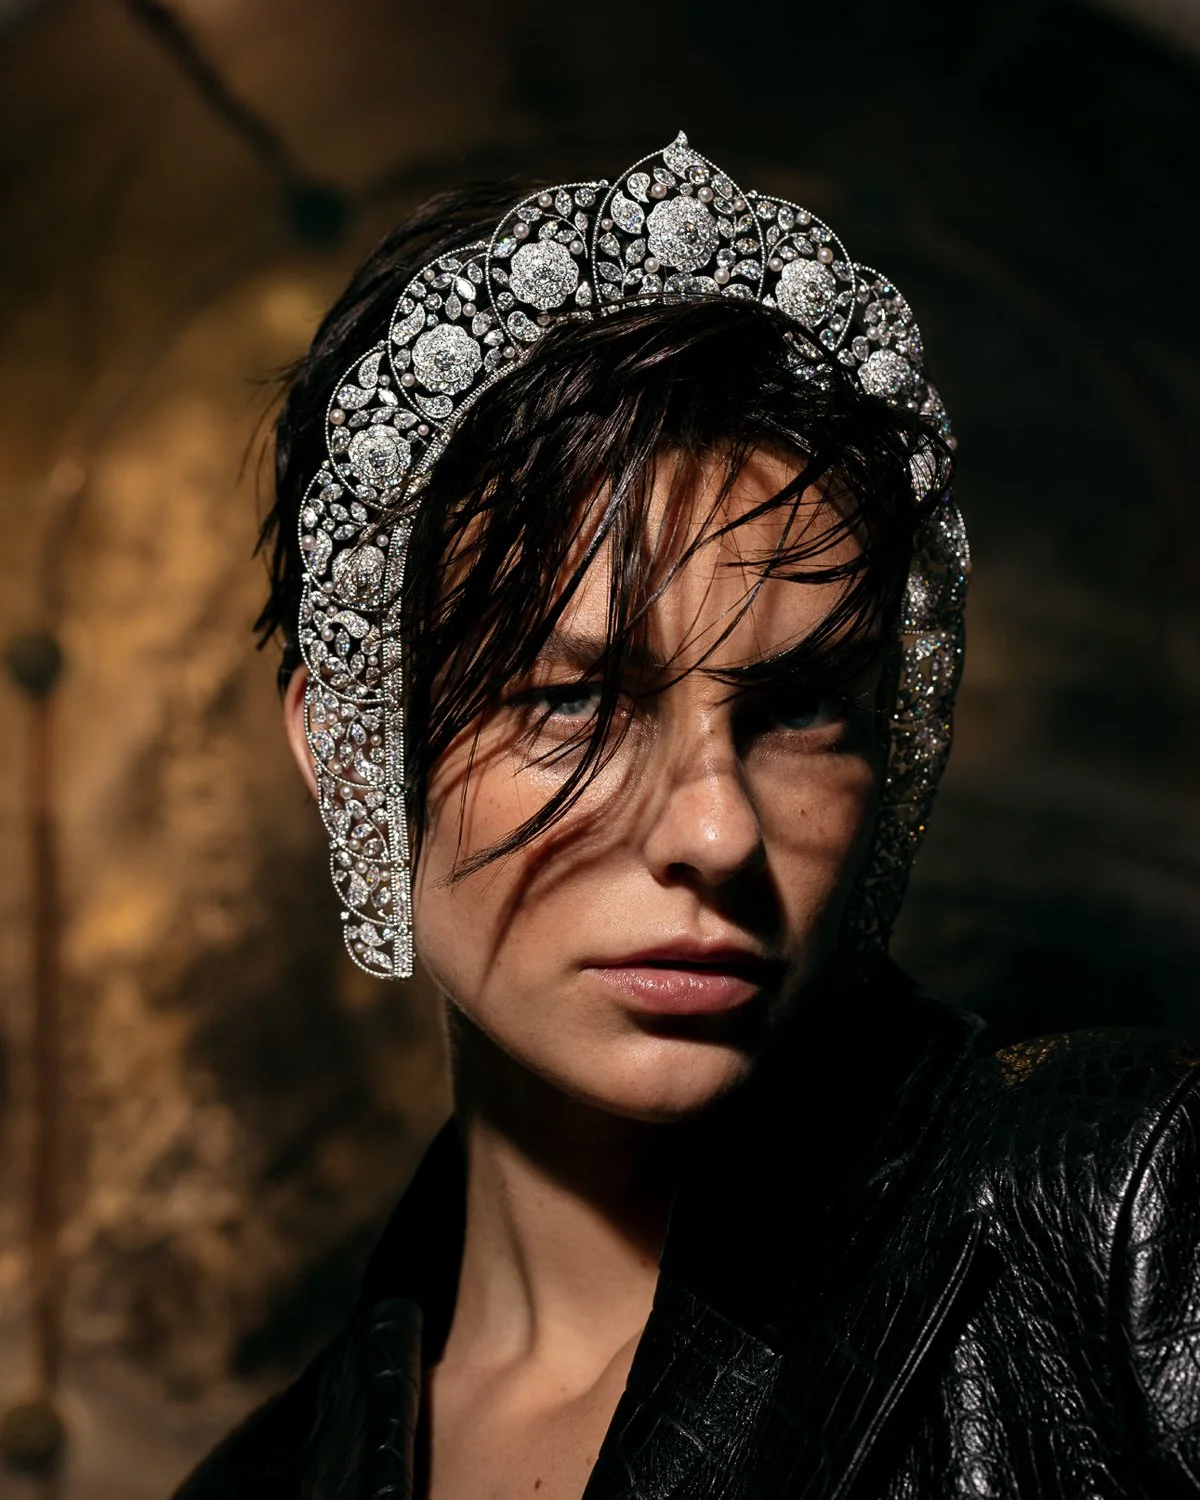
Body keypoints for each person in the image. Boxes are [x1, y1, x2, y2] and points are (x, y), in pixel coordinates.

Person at [175, 137, 1200, 1499]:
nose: (718, 835)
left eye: (798, 710)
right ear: (355, 747)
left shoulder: (1123, 1219)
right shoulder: (259, 1486)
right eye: (576, 703)